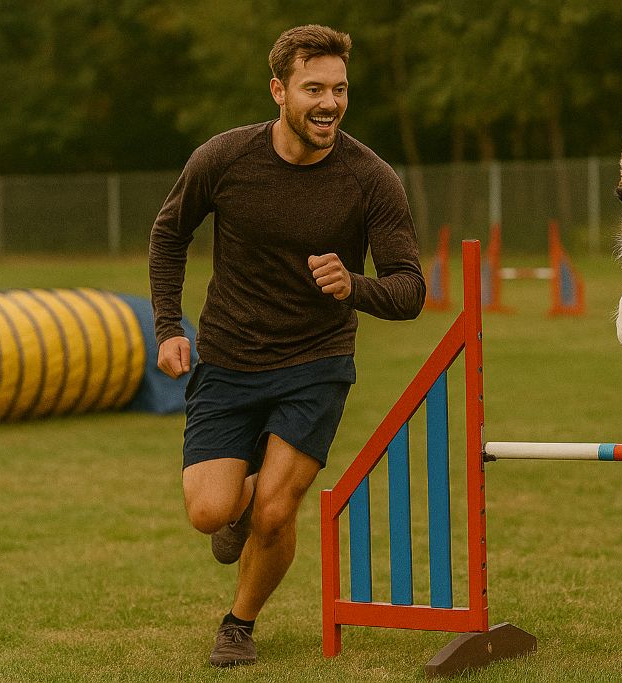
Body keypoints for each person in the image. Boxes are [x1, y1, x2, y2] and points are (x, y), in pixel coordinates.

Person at [148, 24, 425, 668]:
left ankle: (238, 624)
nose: (329, 103)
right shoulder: (224, 158)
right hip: (228, 356)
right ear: (279, 91)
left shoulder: (370, 178)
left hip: (316, 363)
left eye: (339, 89)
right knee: (211, 511)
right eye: (314, 89)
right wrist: (167, 326)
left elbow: (409, 290)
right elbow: (168, 236)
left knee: (276, 510)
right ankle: (235, 510)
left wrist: (352, 285)